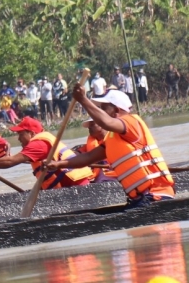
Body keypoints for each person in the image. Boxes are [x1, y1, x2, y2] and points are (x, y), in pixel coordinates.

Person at [45, 88, 174, 208]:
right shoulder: (112, 138)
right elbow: (87, 158)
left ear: (116, 110)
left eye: (104, 108)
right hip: (141, 198)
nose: (101, 112)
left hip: (157, 194)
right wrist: (58, 164)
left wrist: (83, 100)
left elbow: (106, 122)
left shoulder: (131, 122)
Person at [0, 117, 92, 190]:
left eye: (21, 134)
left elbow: (10, 161)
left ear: (31, 133)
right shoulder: (41, 141)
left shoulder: (38, 144)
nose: (18, 139)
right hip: (70, 187)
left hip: (77, 188)